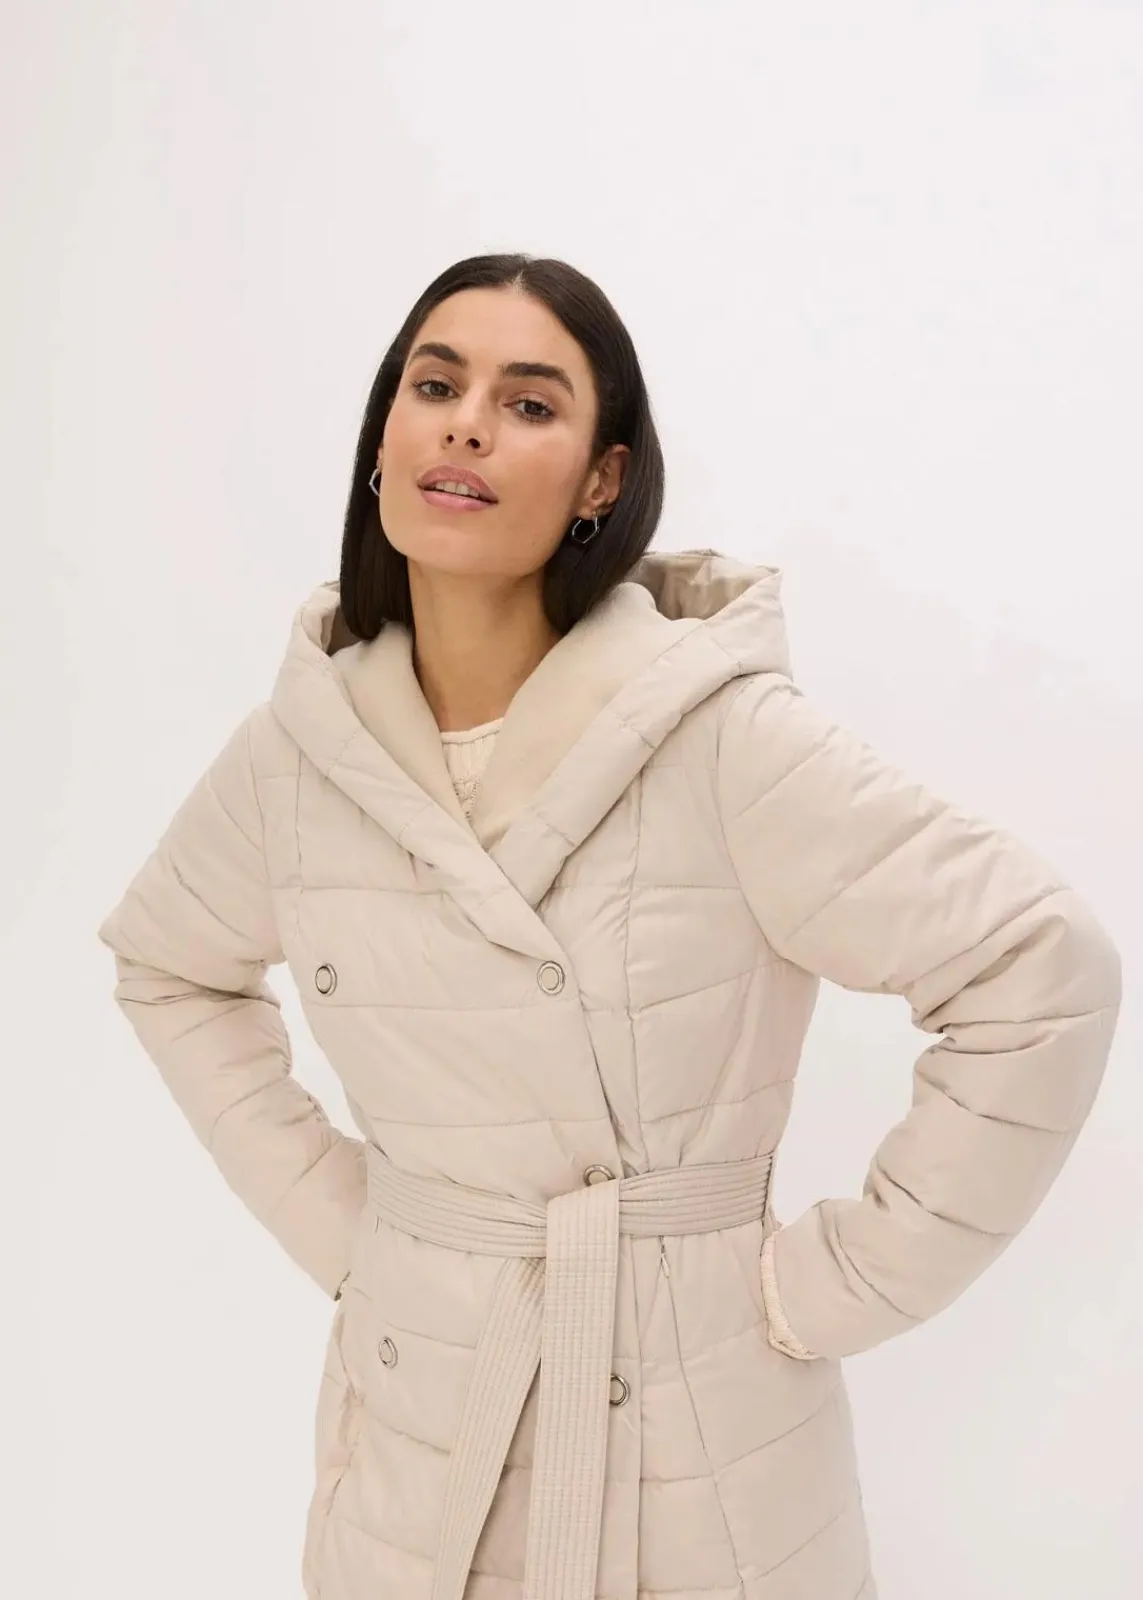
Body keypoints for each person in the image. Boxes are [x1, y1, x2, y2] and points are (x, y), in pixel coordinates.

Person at [97, 253, 1122, 1600]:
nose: (467, 425)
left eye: (529, 404)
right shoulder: (302, 753)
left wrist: (832, 1288)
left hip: (693, 1442)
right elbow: (169, 965)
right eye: (435, 386)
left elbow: (1038, 968)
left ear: (602, 480)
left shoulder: (717, 733)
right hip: (416, 1432)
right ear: (383, 439)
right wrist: (348, 1227)